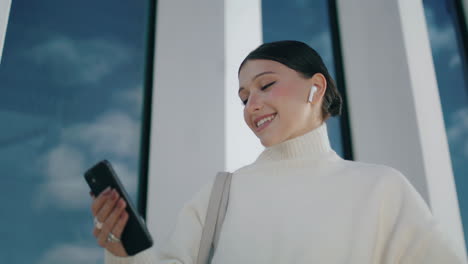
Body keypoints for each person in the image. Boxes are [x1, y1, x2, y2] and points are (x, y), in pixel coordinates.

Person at [90, 40, 465, 263]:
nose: (252, 104)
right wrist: (125, 253)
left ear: (315, 88)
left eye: (265, 85)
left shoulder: (381, 188)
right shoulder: (222, 193)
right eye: (243, 97)